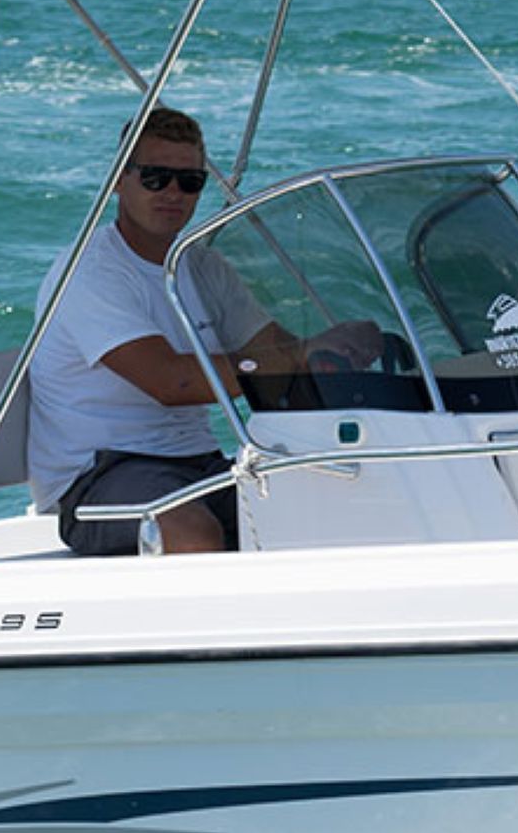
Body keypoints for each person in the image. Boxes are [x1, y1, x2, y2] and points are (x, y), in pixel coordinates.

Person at [24, 107, 374, 556]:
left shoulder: (203, 266)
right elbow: (173, 382)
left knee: (331, 511)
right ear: (118, 181)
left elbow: (276, 349)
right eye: (155, 178)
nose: (173, 192)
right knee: (192, 534)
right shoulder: (90, 271)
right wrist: (298, 355)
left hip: (197, 462)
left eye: (190, 181)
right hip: (100, 475)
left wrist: (347, 342)